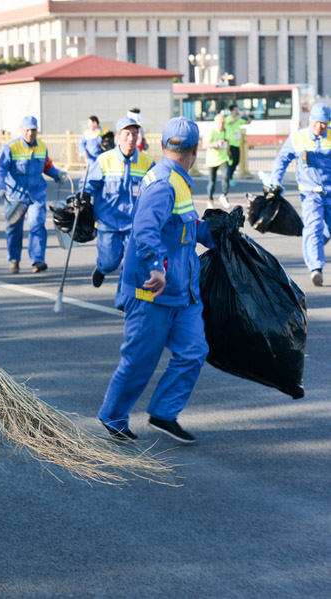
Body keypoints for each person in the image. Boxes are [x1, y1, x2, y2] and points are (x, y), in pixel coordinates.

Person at [98, 117, 214, 444]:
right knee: (140, 360)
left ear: (162, 145)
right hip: (151, 291)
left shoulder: (175, 178)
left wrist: (217, 231)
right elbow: (145, 230)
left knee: (193, 351)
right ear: (196, 150)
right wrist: (157, 267)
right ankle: (113, 416)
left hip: (181, 291)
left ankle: (163, 413)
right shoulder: (164, 183)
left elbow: (183, 228)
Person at [84, 117, 154, 290]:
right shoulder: (104, 160)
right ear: (117, 136)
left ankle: (123, 297)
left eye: (135, 134)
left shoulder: (147, 162)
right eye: (127, 134)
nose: (131, 138)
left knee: (132, 265)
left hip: (134, 225)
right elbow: (89, 184)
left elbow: (156, 188)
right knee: (110, 262)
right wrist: (83, 196)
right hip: (108, 222)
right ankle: (102, 268)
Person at [0, 115, 67, 274]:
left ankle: (38, 260)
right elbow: (1, 168)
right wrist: (0, 186)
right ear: (21, 130)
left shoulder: (42, 147)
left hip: (36, 195)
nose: (30, 133)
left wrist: (57, 174)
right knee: (14, 229)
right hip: (15, 196)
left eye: (33, 130)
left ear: (36, 131)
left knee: (37, 225)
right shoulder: (11, 147)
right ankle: (14, 260)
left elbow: (47, 167)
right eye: (27, 130)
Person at [271, 102, 331, 287]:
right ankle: (316, 268)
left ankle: (312, 246)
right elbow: (282, 159)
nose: (320, 126)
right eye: (316, 122)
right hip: (310, 193)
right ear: (310, 120)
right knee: (313, 228)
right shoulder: (298, 138)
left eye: (324, 123)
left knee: (325, 232)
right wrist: (275, 182)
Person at [205, 114, 231, 209]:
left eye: (223, 123)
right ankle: (210, 200)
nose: (221, 125)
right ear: (215, 123)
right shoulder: (211, 132)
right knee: (212, 181)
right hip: (212, 160)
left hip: (223, 158)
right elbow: (204, 145)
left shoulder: (225, 131)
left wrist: (228, 151)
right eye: (220, 123)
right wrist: (215, 144)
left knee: (226, 177)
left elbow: (228, 142)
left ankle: (224, 195)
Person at [224, 105, 251, 186]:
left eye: (237, 110)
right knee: (231, 161)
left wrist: (250, 117)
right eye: (235, 110)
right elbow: (232, 121)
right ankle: (228, 177)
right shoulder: (228, 118)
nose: (237, 112)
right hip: (230, 144)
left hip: (236, 144)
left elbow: (248, 122)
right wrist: (241, 115)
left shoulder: (238, 119)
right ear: (231, 111)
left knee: (237, 161)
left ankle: (230, 176)